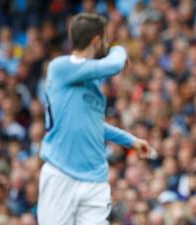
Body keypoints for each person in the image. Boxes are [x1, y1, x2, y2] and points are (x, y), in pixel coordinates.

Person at [37, 13, 151, 225]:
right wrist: (117, 50)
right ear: (97, 41)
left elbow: (93, 126)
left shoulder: (93, 85)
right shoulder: (60, 67)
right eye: (104, 40)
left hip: (95, 179)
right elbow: (112, 65)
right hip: (61, 173)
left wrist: (131, 141)